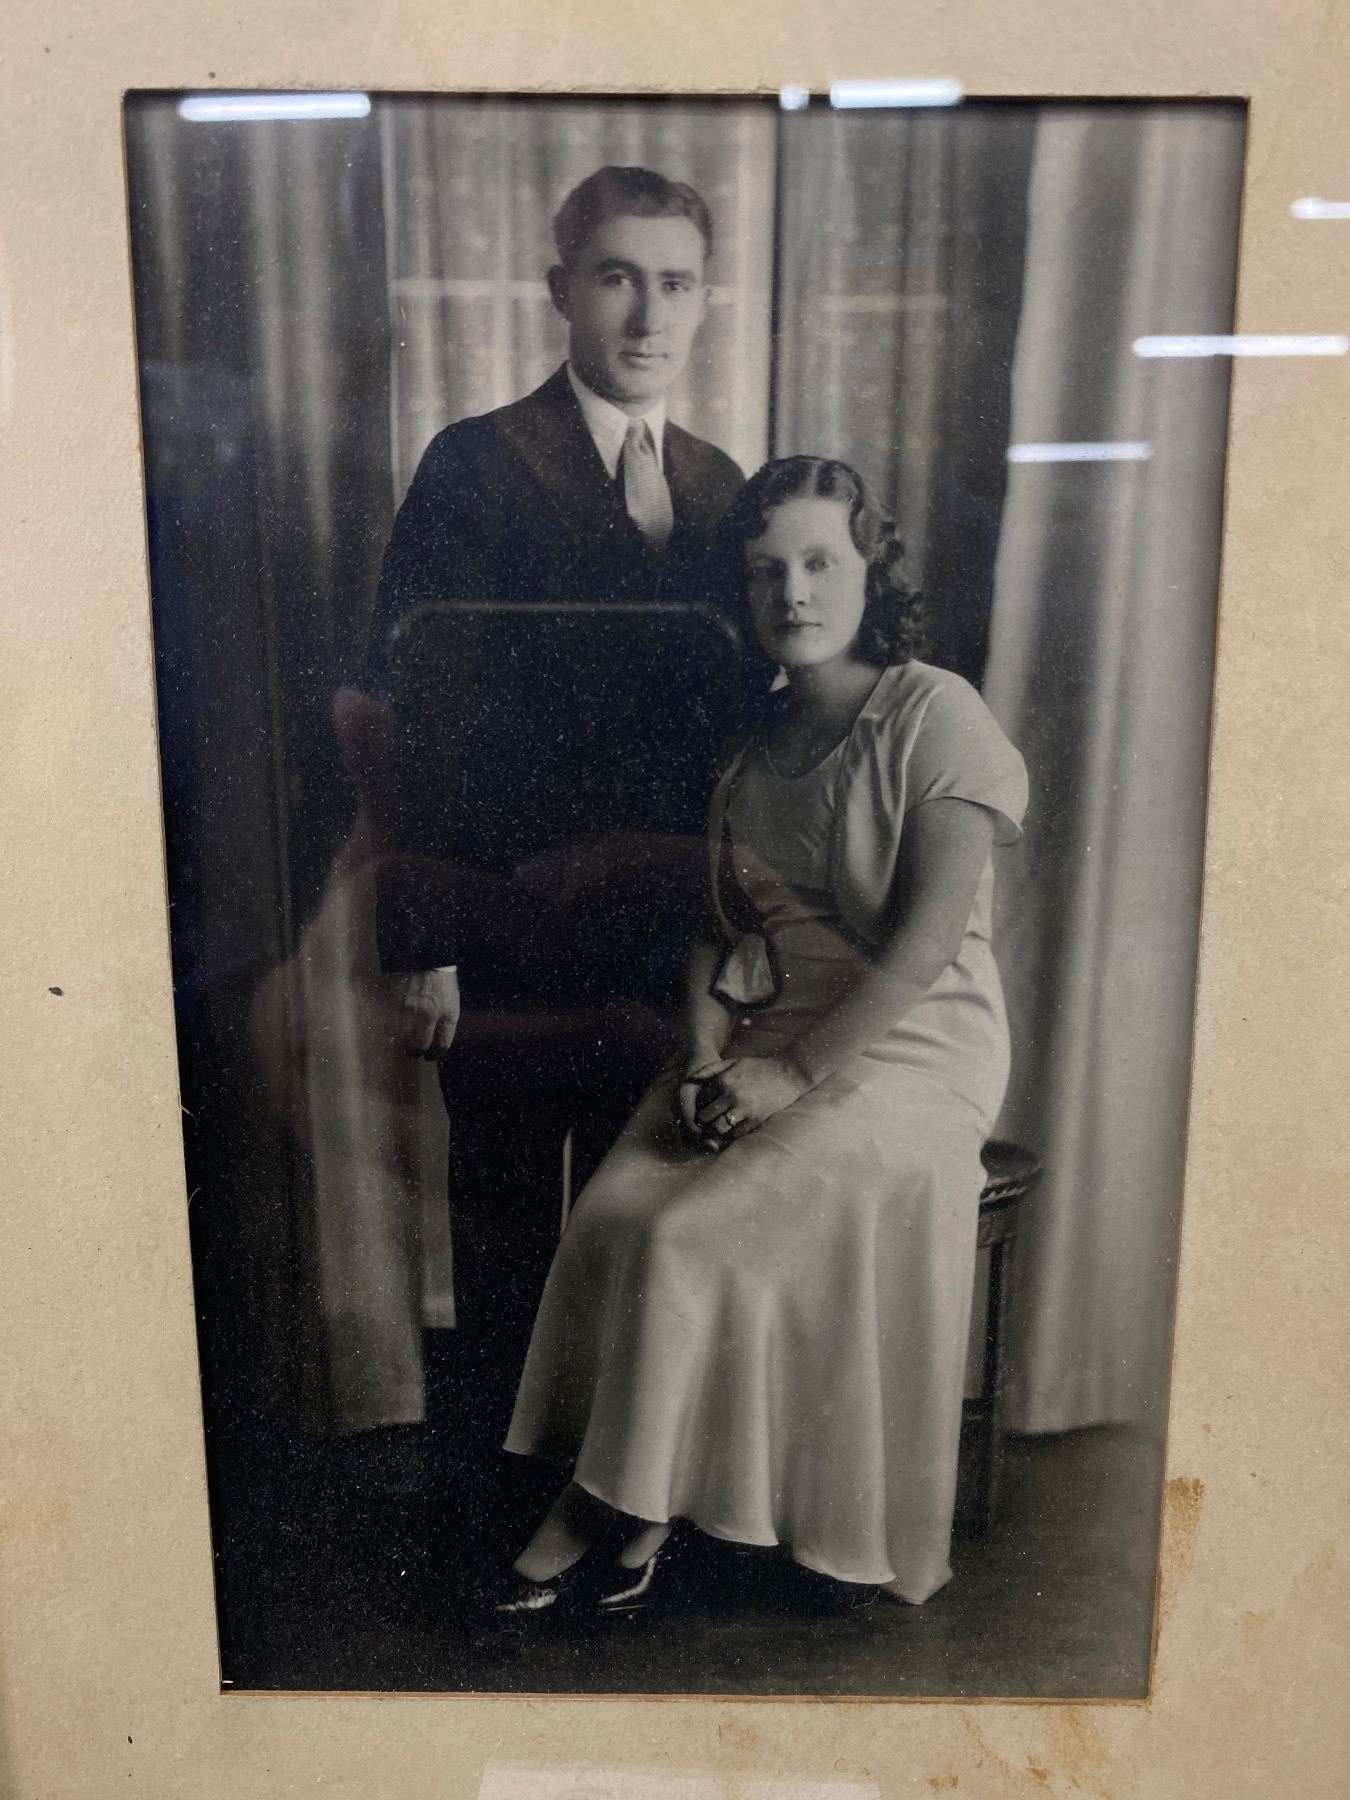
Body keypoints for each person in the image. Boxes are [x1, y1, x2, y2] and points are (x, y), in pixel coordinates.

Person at [490, 455, 1028, 1619]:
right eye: (766, 569)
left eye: (821, 562)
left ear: (871, 573)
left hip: (915, 1049)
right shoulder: (753, 747)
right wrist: (703, 1057)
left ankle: (606, 1506)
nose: (794, 591)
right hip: (770, 1036)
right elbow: (717, 930)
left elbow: (927, 943)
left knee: (689, 1238)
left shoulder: (934, 712)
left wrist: (788, 1074)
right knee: (617, 1215)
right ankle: (648, 1486)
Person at [368, 167, 746, 1494]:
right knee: (508, 1236)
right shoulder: (476, 464)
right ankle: (491, 1527)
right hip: (503, 931)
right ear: (560, 291)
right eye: (617, 277)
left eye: (675, 282)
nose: (648, 313)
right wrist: (421, 936)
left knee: (639, 1232)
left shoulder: (718, 486)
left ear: (704, 301)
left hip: (657, 946)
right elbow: (411, 711)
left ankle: (603, 1513)